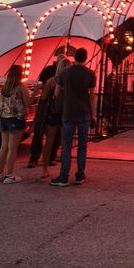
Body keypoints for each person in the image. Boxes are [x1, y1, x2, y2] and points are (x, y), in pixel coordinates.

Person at [50, 48, 96, 186]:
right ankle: (80, 174)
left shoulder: (65, 72)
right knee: (82, 146)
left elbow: (57, 93)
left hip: (68, 112)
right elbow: (92, 96)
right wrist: (93, 114)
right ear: (86, 58)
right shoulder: (90, 74)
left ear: (75, 57)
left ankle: (64, 176)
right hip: (84, 112)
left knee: (67, 145)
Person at [0, 65, 30, 184]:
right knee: (12, 148)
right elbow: (27, 102)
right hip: (16, 118)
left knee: (3, 147)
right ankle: (9, 174)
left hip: (4, 118)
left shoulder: (4, 87)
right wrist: (34, 92)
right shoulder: (20, 87)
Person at [27, 55, 65, 167]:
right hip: (56, 107)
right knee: (54, 134)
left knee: (39, 132)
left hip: (45, 106)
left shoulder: (49, 74)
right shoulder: (62, 77)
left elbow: (42, 91)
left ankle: (34, 158)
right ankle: (50, 158)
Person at [40, 57, 71, 179]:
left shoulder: (51, 81)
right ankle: (63, 170)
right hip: (66, 113)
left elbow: (44, 98)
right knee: (65, 142)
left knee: (49, 141)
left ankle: (44, 169)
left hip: (53, 112)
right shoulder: (70, 82)